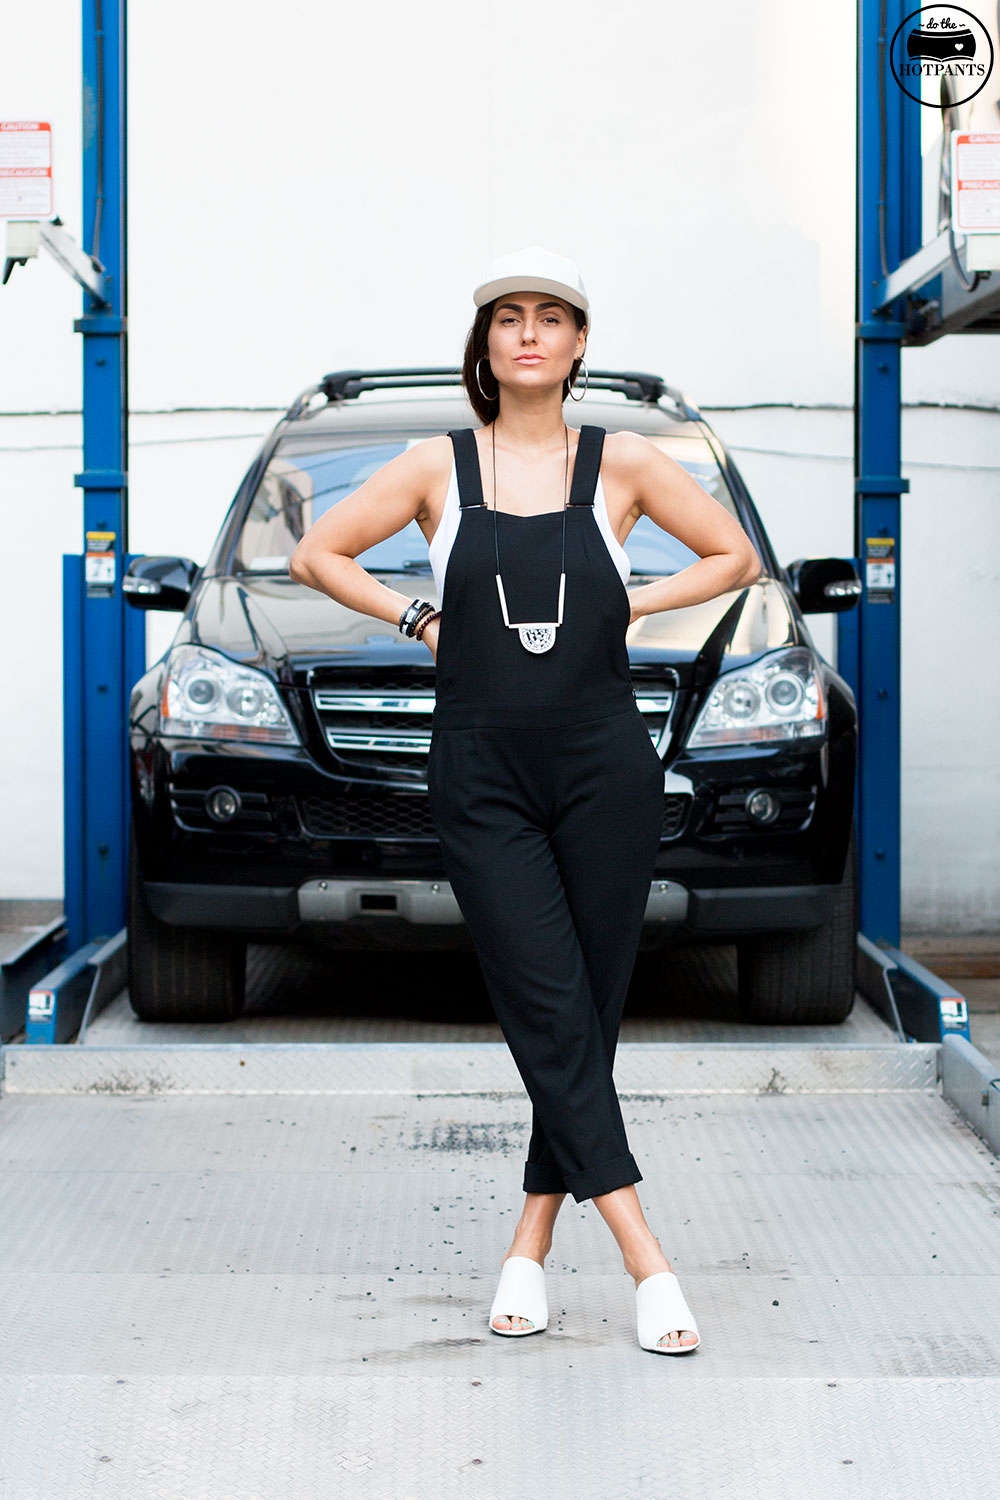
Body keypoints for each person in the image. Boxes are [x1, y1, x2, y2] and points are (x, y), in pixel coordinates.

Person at [290, 246, 760, 1353]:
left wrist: (636, 600)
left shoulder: (626, 463)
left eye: (553, 317)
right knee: (544, 995)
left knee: (585, 1012)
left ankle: (527, 1247)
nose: (532, 334)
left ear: (580, 343)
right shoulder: (434, 465)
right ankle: (648, 1259)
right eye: (511, 318)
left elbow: (732, 553)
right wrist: (415, 619)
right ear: (487, 344)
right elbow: (319, 553)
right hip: (483, 775)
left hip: (604, 768)